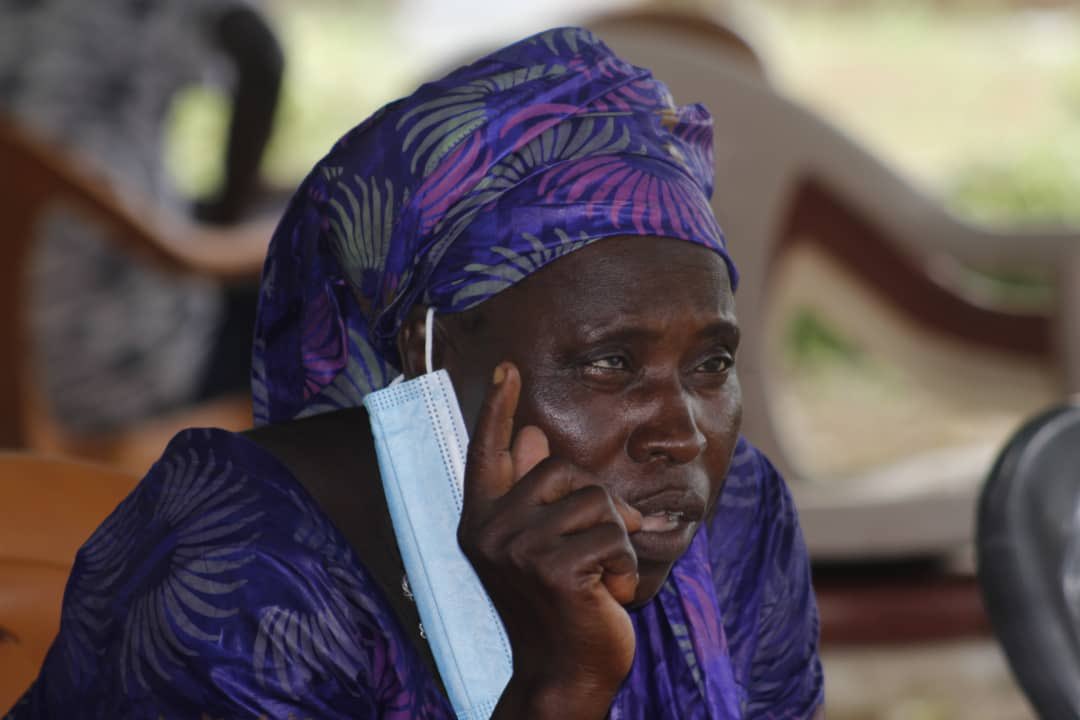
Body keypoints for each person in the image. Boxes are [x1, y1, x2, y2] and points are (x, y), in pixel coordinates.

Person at [5, 27, 823, 718]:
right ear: (428, 352)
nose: (682, 434)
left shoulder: (737, 516)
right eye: (611, 364)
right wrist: (559, 687)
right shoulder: (245, 575)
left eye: (711, 362)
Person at [0, 0, 283, 433]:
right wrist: (225, 219)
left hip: (25, 353)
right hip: (103, 381)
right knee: (323, 288)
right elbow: (261, 53)